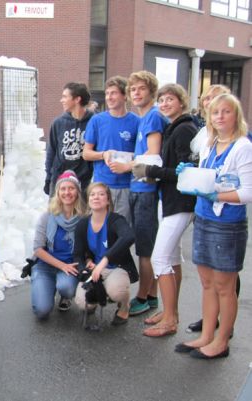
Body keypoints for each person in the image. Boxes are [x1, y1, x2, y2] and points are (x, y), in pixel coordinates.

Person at [175, 94, 252, 359]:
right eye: (215, 112)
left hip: (227, 224)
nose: (219, 116)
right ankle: (206, 336)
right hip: (204, 218)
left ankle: (221, 342)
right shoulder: (209, 143)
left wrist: (216, 196)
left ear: (236, 116)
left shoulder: (243, 147)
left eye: (226, 112)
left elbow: (248, 192)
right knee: (207, 283)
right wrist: (188, 172)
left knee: (224, 286)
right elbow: (208, 177)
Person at [132, 84, 197, 336]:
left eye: (170, 99)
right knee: (171, 259)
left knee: (160, 258)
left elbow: (185, 173)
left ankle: (170, 320)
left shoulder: (183, 129)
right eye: (162, 99)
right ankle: (171, 312)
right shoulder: (174, 127)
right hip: (169, 200)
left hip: (179, 202)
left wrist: (150, 171)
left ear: (181, 102)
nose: (165, 103)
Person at [187, 84, 232, 334]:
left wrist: (217, 192)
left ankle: (225, 328)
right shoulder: (206, 138)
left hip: (225, 217)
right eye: (208, 101)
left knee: (225, 279)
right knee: (208, 279)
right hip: (203, 211)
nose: (213, 107)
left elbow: (244, 187)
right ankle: (209, 324)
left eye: (220, 105)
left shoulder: (241, 142)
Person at [127, 71, 167, 316]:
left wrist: (126, 165)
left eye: (141, 89)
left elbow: (153, 156)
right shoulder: (144, 118)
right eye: (133, 90)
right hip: (139, 188)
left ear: (151, 91)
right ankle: (151, 295)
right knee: (146, 245)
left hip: (146, 190)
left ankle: (141, 297)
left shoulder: (152, 117)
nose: (136, 93)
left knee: (145, 247)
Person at [73, 183, 138, 325]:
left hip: (116, 267)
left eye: (101, 194)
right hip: (94, 270)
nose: (96, 197)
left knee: (116, 292)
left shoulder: (116, 220)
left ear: (108, 200)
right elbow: (77, 255)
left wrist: (104, 260)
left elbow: (128, 237)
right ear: (88, 200)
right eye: (92, 194)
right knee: (82, 302)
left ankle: (125, 306)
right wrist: (86, 266)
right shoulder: (83, 224)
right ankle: (94, 301)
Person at [83, 76, 139, 222]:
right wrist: (104, 154)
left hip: (126, 186)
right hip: (101, 185)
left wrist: (128, 162)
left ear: (125, 96)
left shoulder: (137, 122)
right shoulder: (97, 120)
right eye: (107, 93)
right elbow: (86, 153)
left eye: (113, 93)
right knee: (100, 229)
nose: (109, 97)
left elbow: (143, 155)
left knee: (122, 231)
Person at [31, 170, 85, 319]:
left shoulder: (84, 218)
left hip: (70, 266)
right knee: (42, 311)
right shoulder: (47, 216)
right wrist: (61, 266)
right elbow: (37, 249)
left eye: (71, 188)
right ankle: (43, 286)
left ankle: (64, 295)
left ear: (78, 192)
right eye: (63, 188)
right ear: (58, 192)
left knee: (66, 288)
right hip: (45, 265)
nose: (67, 192)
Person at [44, 82, 94, 196]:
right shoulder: (58, 123)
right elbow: (51, 152)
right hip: (59, 180)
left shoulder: (94, 121)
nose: (61, 100)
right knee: (56, 214)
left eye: (65, 97)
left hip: (83, 182)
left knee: (81, 214)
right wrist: (48, 178)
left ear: (77, 99)